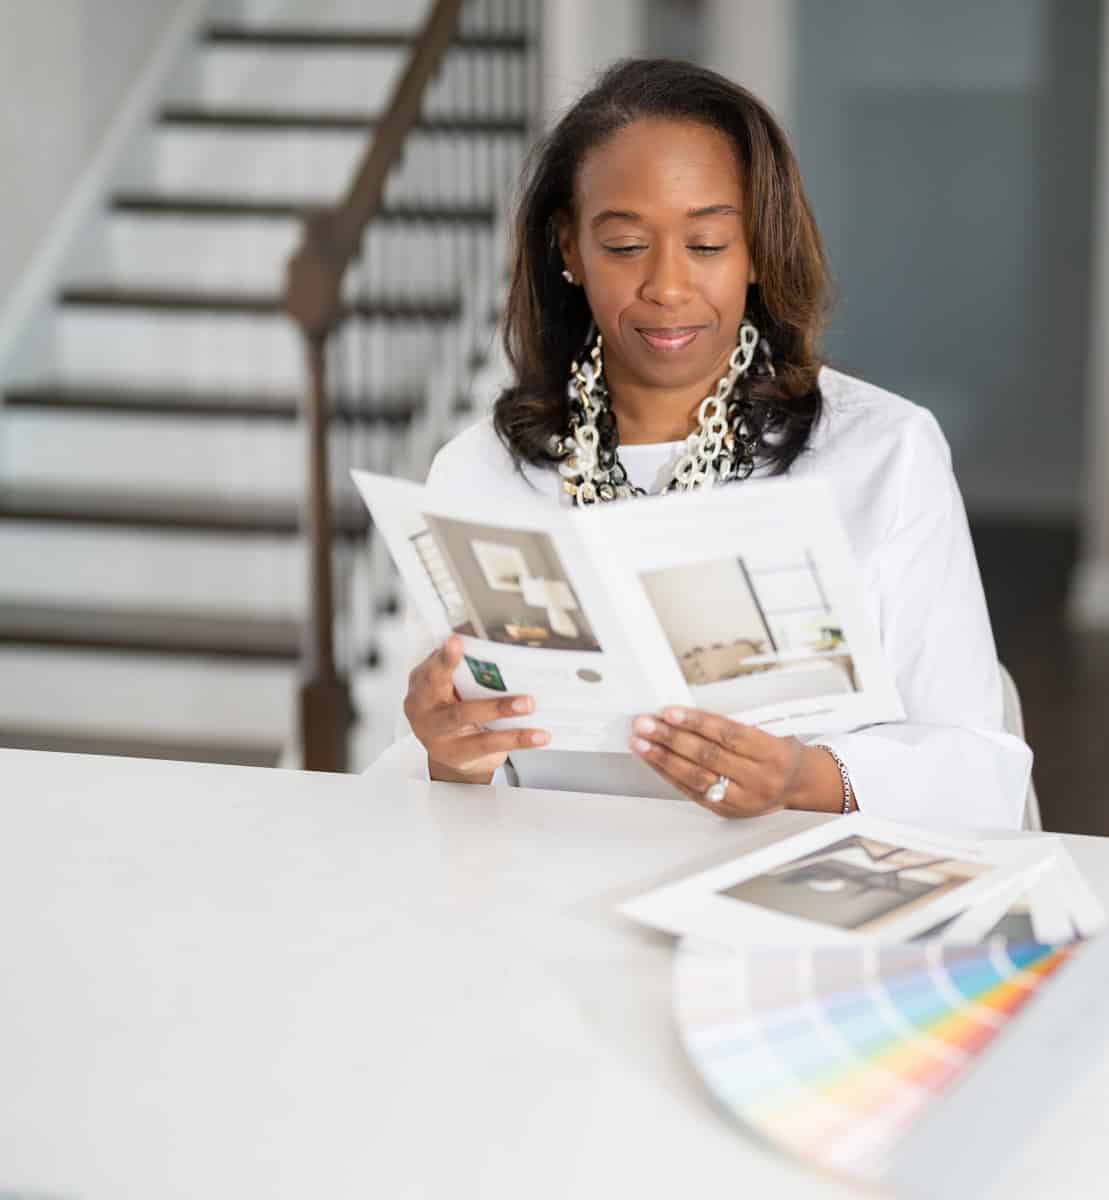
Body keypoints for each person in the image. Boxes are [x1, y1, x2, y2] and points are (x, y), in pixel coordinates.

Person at [365, 58, 1029, 830]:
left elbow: (981, 770)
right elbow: (431, 777)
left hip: (789, 900)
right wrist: (450, 757)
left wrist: (801, 778)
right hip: (540, 898)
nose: (668, 288)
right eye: (623, 246)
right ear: (569, 251)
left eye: (708, 244)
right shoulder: (479, 473)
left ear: (757, 251)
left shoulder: (886, 454)